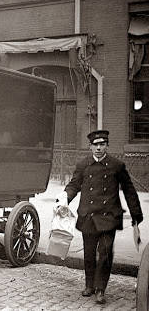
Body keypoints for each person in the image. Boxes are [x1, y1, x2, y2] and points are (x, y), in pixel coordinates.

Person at [56, 130, 143, 304]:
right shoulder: (83, 165)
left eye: (102, 144)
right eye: (95, 145)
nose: (98, 148)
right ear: (90, 146)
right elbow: (74, 185)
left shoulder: (116, 165)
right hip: (88, 215)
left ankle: (101, 289)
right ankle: (89, 285)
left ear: (107, 146)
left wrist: (136, 213)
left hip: (108, 217)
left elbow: (129, 190)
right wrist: (65, 197)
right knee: (89, 253)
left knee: (105, 253)